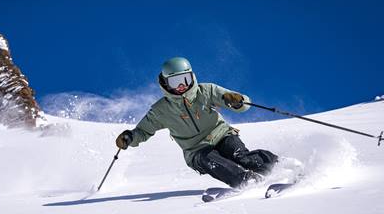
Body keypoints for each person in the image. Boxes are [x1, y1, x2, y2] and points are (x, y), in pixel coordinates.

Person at [116, 57, 278, 188]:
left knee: (239, 155)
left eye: (185, 79)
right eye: (175, 81)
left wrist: (237, 101)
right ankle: (245, 180)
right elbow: (143, 131)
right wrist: (130, 137)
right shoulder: (161, 110)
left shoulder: (206, 91)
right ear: (165, 83)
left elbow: (240, 103)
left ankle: (275, 165)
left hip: (221, 134)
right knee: (211, 160)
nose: (181, 86)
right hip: (196, 150)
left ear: (191, 77)